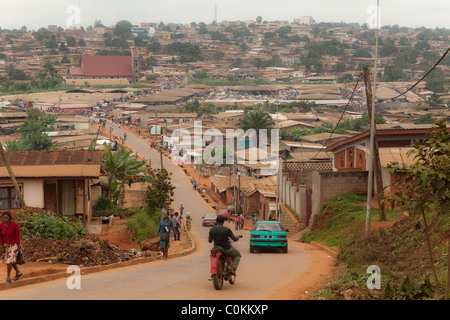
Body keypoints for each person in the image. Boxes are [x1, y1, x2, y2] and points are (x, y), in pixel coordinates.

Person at [0, 211, 22, 283]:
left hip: (14, 245)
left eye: (6, 218)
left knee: (9, 261)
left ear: (9, 218)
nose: (5, 219)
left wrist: (18, 245)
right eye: (3, 218)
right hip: (6, 246)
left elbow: (17, 235)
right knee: (11, 261)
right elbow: (0, 236)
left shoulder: (14, 225)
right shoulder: (1, 225)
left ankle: (8, 276)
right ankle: (18, 272)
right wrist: (2, 246)